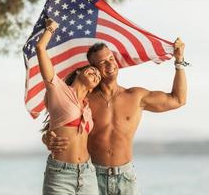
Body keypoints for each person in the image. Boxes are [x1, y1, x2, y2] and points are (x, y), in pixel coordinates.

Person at [43, 38, 187, 195]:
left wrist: (179, 61)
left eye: (111, 58)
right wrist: (47, 138)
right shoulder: (85, 101)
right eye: (102, 62)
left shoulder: (135, 96)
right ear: (94, 69)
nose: (110, 64)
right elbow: (58, 122)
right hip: (91, 176)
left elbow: (178, 99)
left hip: (125, 178)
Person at [36, 18, 102, 195]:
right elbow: (40, 50)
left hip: (88, 173)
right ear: (79, 71)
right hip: (60, 175)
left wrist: (46, 136)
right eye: (92, 69)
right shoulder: (58, 89)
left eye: (98, 76)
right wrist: (50, 28)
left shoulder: (88, 108)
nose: (95, 73)